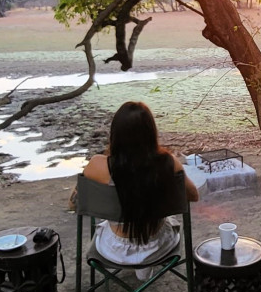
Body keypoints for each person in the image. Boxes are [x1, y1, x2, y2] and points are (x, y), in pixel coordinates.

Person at [83, 101, 199, 279]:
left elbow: (74, 202)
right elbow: (193, 195)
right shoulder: (167, 163)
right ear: (151, 132)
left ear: (115, 134)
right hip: (157, 246)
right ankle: (144, 270)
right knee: (163, 220)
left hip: (114, 249)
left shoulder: (97, 165)